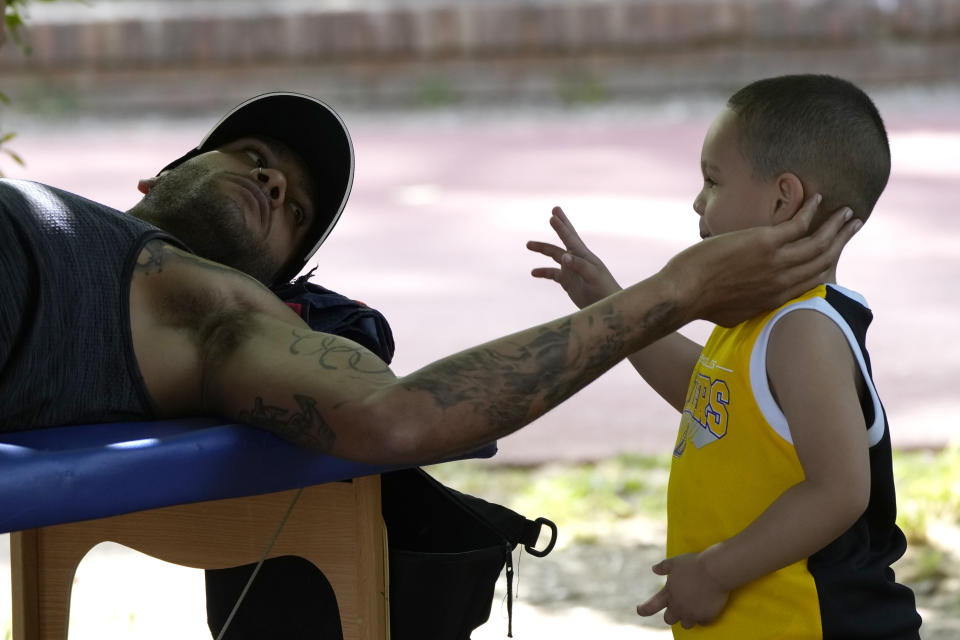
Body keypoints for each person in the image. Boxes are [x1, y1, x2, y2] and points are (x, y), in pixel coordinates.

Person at [528, 74, 921, 638]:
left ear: (783, 198)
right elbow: (707, 395)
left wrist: (715, 571)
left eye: (712, 181)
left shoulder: (803, 330)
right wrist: (615, 309)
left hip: (816, 624)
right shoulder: (757, 320)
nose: (697, 200)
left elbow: (839, 490)